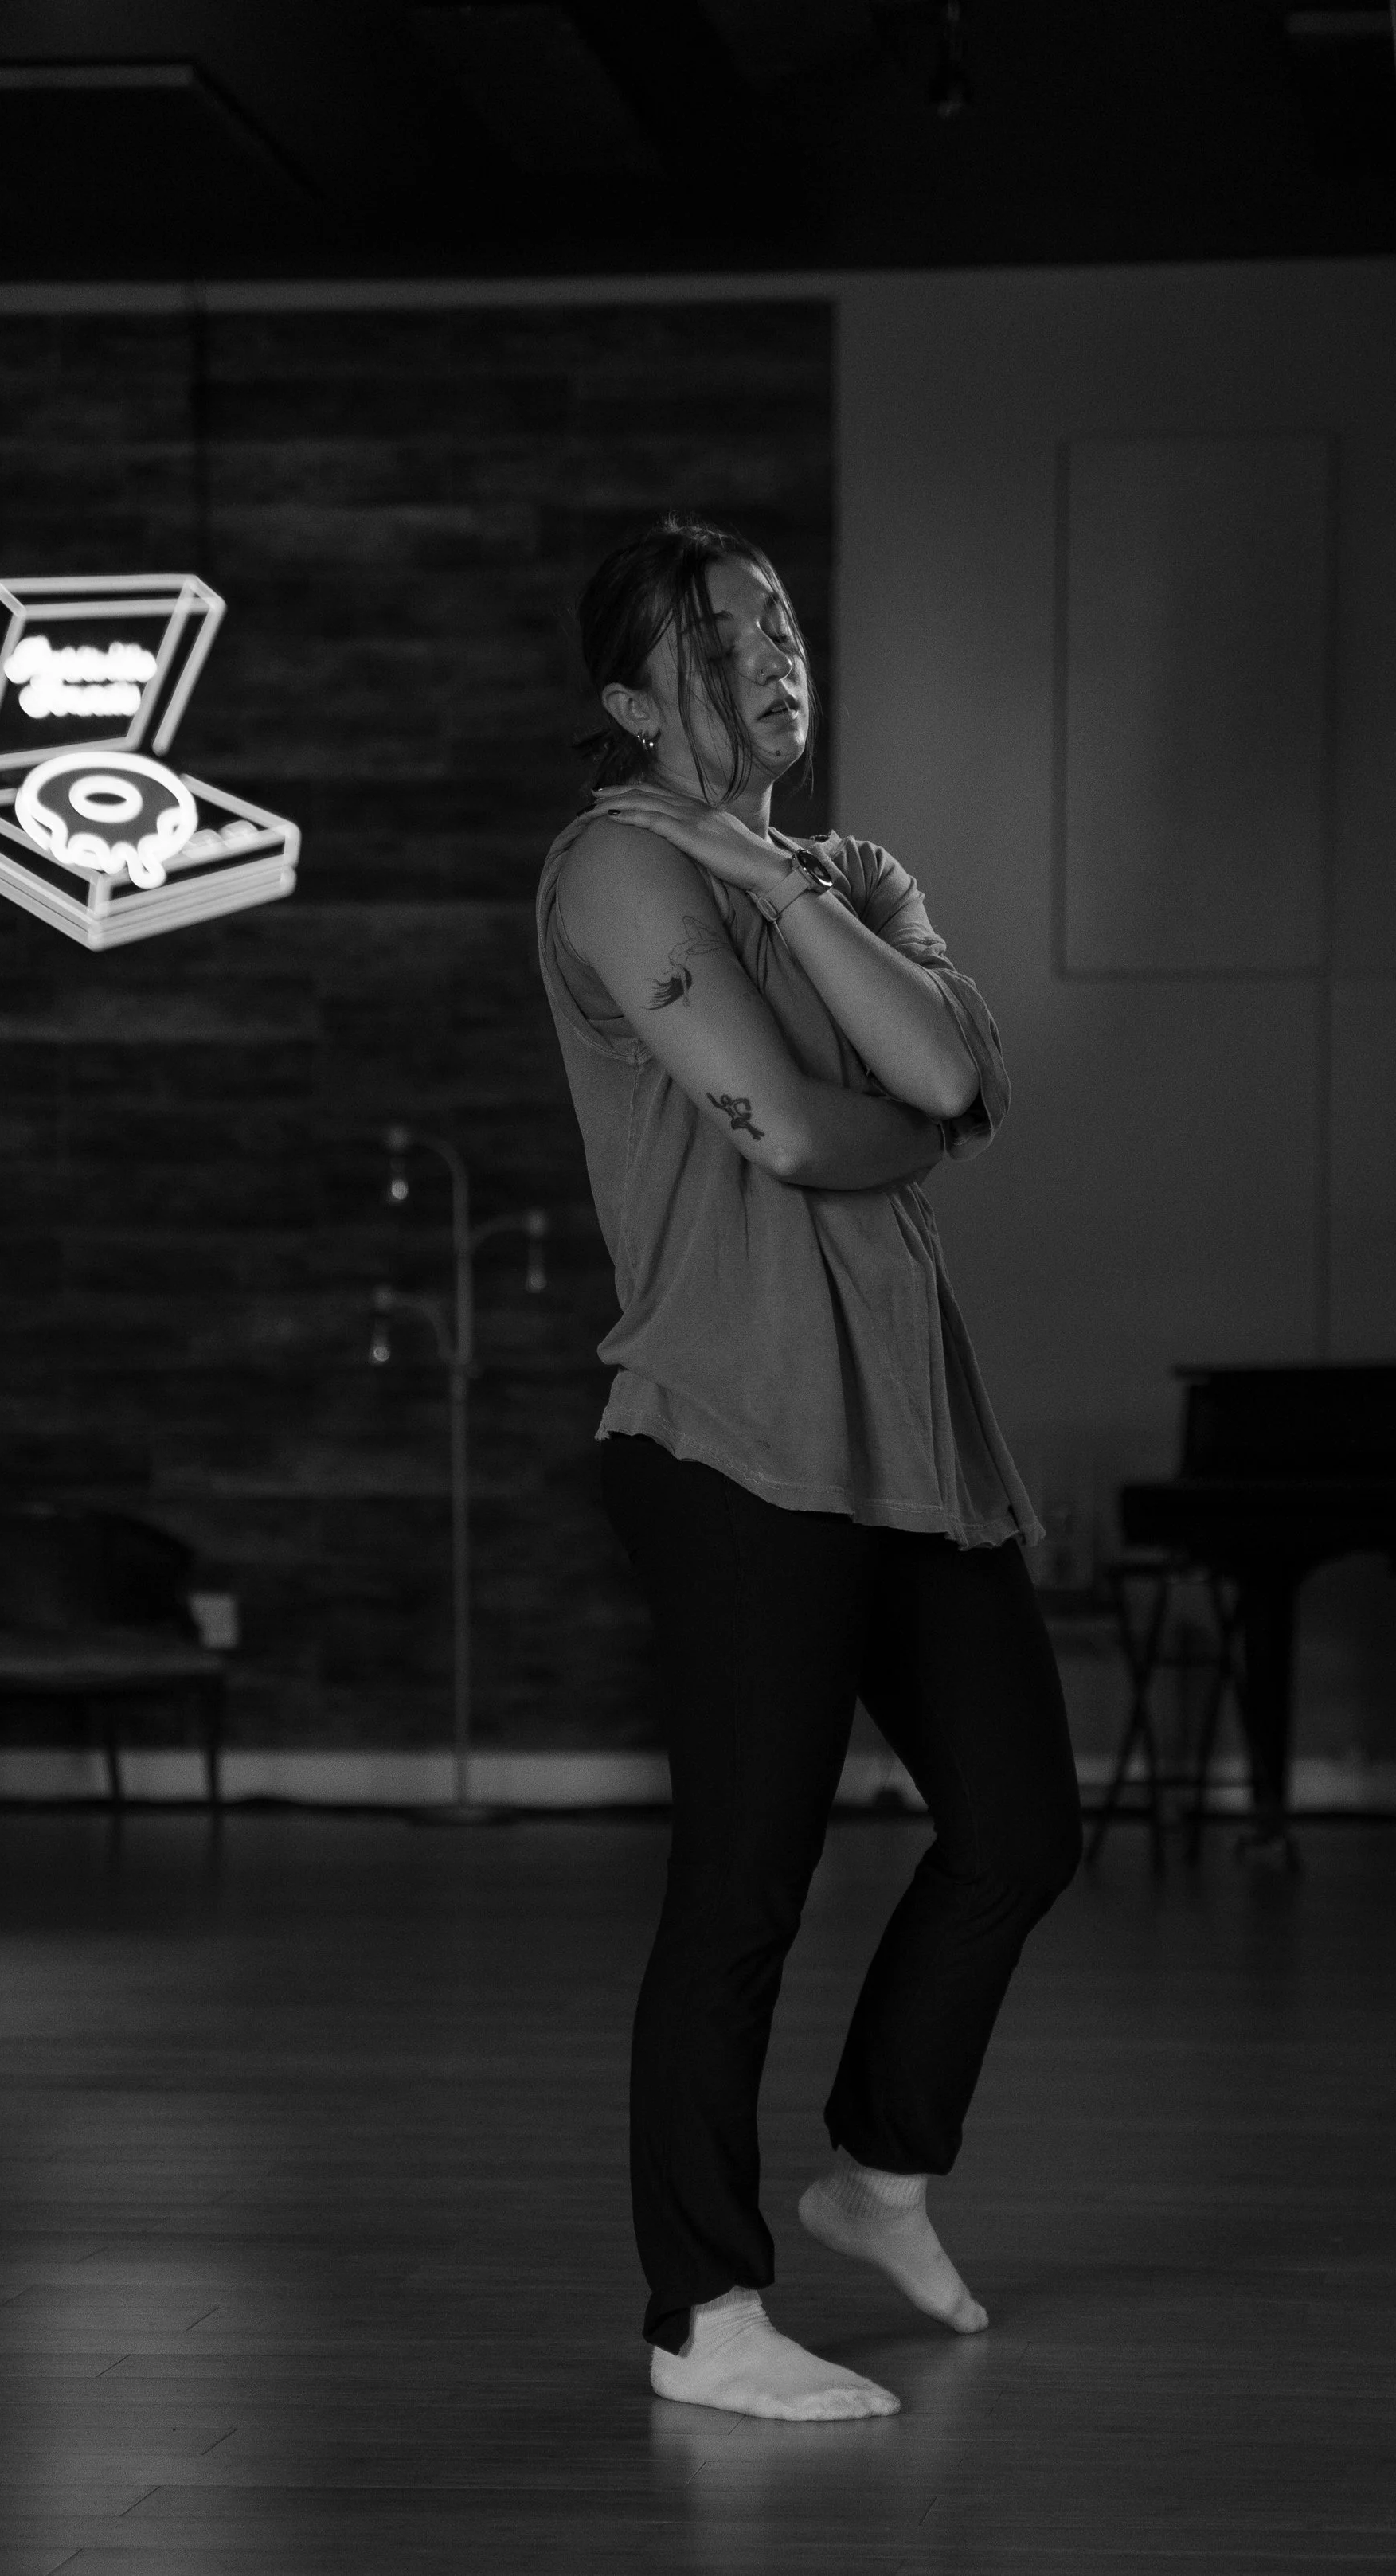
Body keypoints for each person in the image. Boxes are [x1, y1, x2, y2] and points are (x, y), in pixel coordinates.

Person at [534, 514, 1081, 2422]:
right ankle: (704, 2314)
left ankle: (875, 2175)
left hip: (905, 1433)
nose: (769, 658)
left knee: (1022, 1826)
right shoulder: (611, 863)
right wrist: (882, 1110)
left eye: (778, 626)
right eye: (713, 642)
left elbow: (939, 1081)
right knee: (744, 1886)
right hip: (727, 1431)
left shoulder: (844, 868)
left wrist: (779, 888)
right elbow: (791, 1132)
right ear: (626, 702)